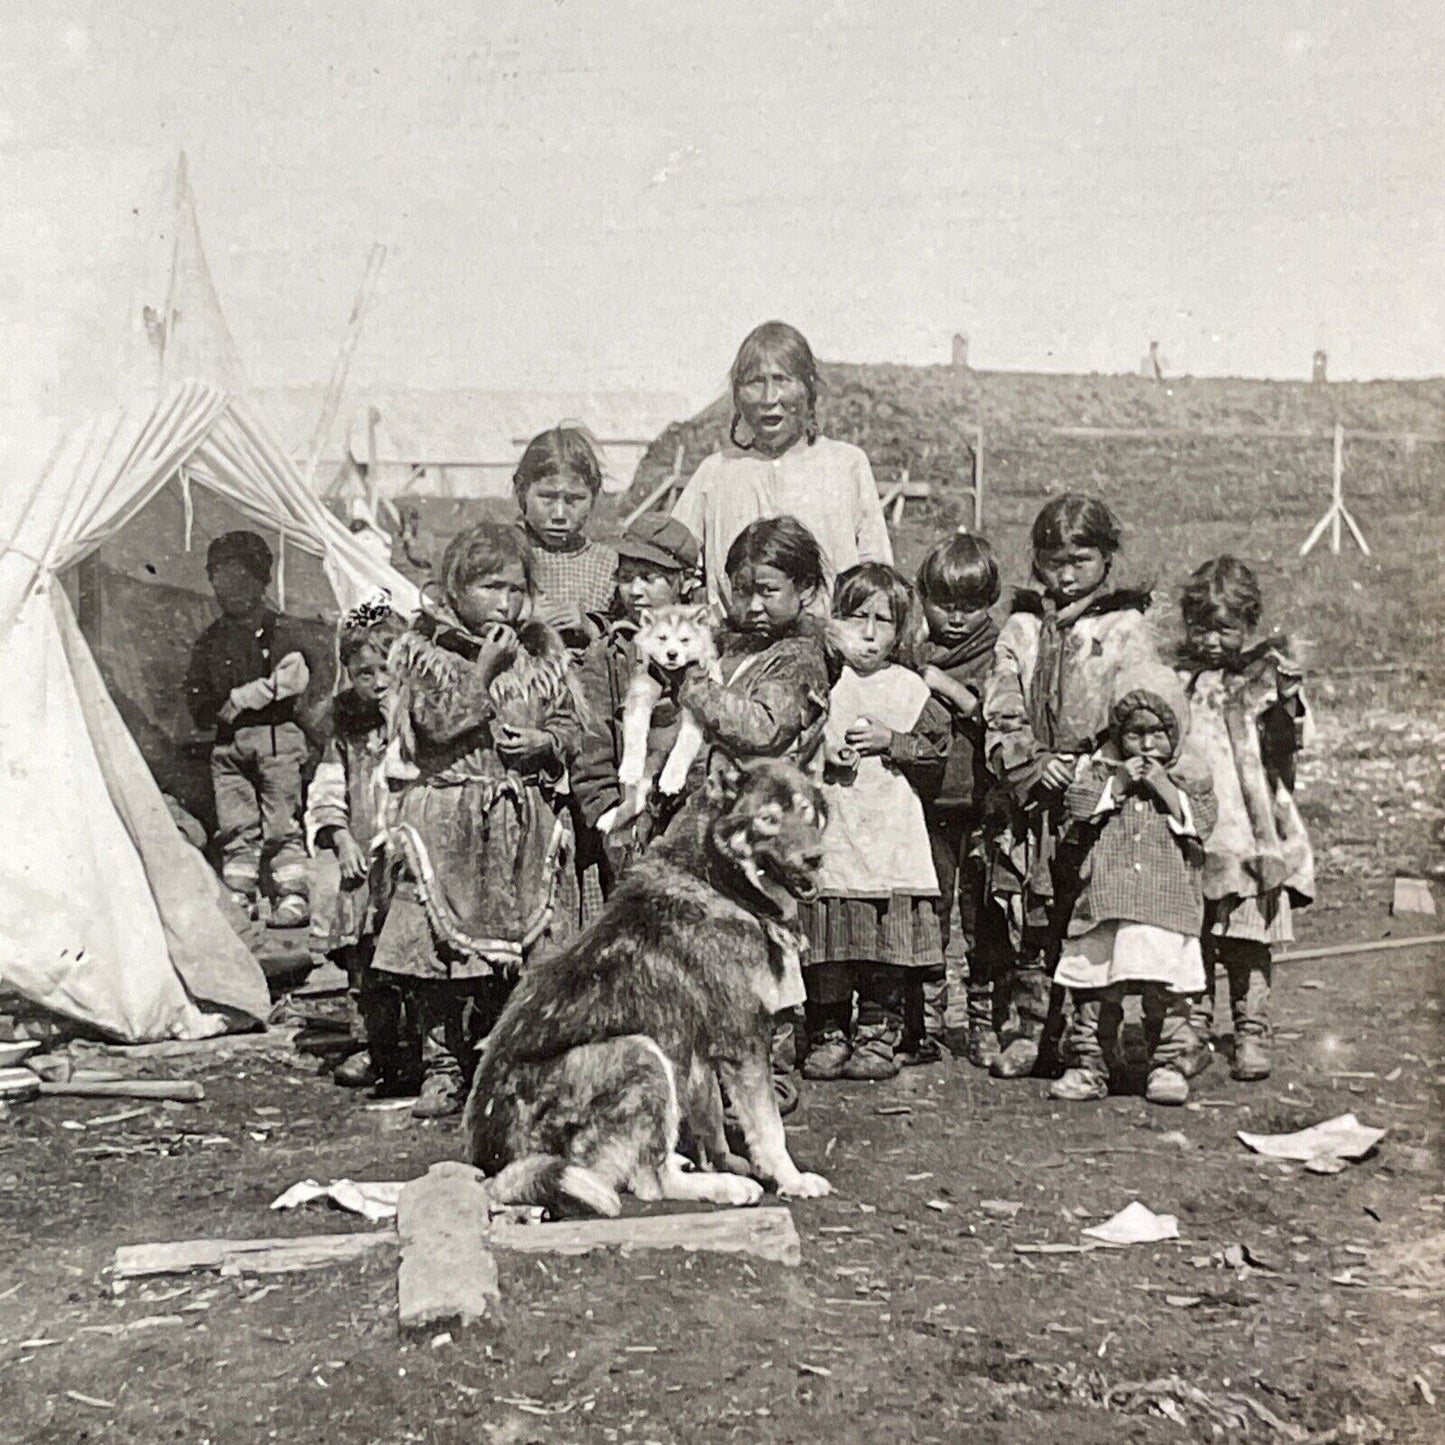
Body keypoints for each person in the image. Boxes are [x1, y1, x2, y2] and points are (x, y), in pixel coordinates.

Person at [372, 523, 583, 1119]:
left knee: (525, 954)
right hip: (448, 822)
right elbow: (433, 727)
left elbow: (572, 726)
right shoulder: (424, 651)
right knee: (442, 956)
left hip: (519, 822)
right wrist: (482, 672)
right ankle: (443, 1066)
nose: (506, 603)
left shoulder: (540, 653)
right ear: (454, 589)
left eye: (517, 589)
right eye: (491, 587)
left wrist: (545, 741)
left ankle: (513, 1065)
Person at [983, 495, 1160, 1080]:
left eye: (1080, 559)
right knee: (1026, 919)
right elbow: (1002, 698)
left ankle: (1088, 1038)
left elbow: (1139, 709)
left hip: (1096, 795)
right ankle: (1029, 1029)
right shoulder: (1023, 626)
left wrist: (1095, 767)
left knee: (1086, 914)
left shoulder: (1127, 628)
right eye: (1052, 560)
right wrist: (1030, 762)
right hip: (1031, 795)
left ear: (1107, 559)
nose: (1065, 573)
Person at [671, 515, 833, 1114]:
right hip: (723, 826)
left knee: (765, 945)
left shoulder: (800, 658)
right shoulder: (737, 645)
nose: (755, 604)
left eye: (769, 590)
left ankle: (773, 1072)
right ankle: (714, 1077)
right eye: (743, 590)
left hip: (766, 829)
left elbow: (761, 728)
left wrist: (694, 687)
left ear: (805, 593)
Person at [799, 563, 949, 1082]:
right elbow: (793, 742)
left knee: (881, 946)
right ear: (832, 622)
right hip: (834, 830)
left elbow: (938, 753)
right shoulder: (821, 680)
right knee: (830, 943)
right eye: (854, 617)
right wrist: (827, 758)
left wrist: (895, 743)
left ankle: (877, 1035)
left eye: (882, 621)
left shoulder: (907, 688)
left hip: (888, 834)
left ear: (899, 629)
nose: (867, 633)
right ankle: (828, 1033)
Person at [1173, 556, 1314, 1082]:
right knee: (1196, 935)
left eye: (1225, 629)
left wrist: (1290, 702)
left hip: (1252, 830)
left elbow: (1292, 741)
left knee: (1248, 938)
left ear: (1249, 626)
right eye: (1201, 628)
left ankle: (1251, 1031)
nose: (1212, 641)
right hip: (1197, 828)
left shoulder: (1263, 680)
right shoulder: (1180, 679)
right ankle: (1193, 1029)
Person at [1050, 663, 1217, 1106]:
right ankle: (1090, 1064)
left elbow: (1201, 821)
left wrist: (1162, 784)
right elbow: (1079, 806)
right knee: (1094, 985)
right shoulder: (1103, 768)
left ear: (1176, 732)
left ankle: (1168, 1064)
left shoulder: (1190, 774)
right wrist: (1119, 781)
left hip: (1165, 904)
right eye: (1134, 734)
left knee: (1167, 987)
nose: (1145, 745)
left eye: (1158, 733)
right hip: (1106, 900)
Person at [671, 321, 892, 608]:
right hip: (736, 643)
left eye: (782, 380)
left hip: (828, 642)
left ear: (808, 388)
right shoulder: (716, 472)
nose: (768, 398)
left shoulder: (846, 465)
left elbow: (878, 573)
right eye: (754, 382)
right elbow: (669, 561)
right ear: (738, 396)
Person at [305, 597, 415, 1093]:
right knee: (365, 957)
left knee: (409, 956)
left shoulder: (417, 711)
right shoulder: (344, 725)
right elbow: (329, 785)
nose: (377, 681)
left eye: (386, 669)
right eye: (363, 672)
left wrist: (398, 716)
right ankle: (377, 1049)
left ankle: (420, 1054)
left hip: (408, 854)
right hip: (366, 858)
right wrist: (341, 835)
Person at [184, 530, 317, 928]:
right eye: (219, 578)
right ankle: (241, 894)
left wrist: (243, 698)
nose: (228, 588)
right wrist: (206, 709)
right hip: (229, 747)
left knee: (281, 821)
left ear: (259, 581)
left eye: (239, 576)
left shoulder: (280, 630)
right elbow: (196, 687)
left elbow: (292, 678)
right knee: (235, 822)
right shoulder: (212, 639)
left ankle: (291, 893)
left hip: (276, 737)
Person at [571, 513, 703, 909]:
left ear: (685, 582)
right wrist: (608, 811)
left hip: (696, 812)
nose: (635, 590)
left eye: (650, 577)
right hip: (632, 817)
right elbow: (589, 740)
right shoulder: (608, 655)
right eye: (626, 577)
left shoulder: (708, 646)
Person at [916, 531, 1012, 1069]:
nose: (955, 618)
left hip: (980, 803)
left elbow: (996, 712)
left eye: (970, 606)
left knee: (982, 918)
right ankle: (926, 1020)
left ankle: (983, 1021)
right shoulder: (915, 648)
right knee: (930, 913)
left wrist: (944, 687)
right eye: (943, 605)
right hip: (929, 802)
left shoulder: (995, 650)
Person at [513, 426, 618, 652]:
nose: (559, 514)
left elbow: (627, 630)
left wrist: (589, 624)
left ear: (593, 496)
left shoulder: (607, 564)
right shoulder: (503, 552)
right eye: (547, 497)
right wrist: (522, 614)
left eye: (574, 499)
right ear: (521, 490)